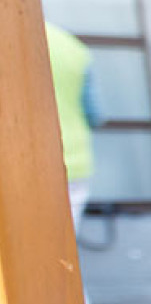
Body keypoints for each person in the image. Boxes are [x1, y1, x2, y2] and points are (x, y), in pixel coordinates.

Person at [45, 20, 98, 230]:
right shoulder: (72, 45)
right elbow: (95, 115)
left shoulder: (11, 40)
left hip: (17, 163)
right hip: (73, 160)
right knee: (61, 249)